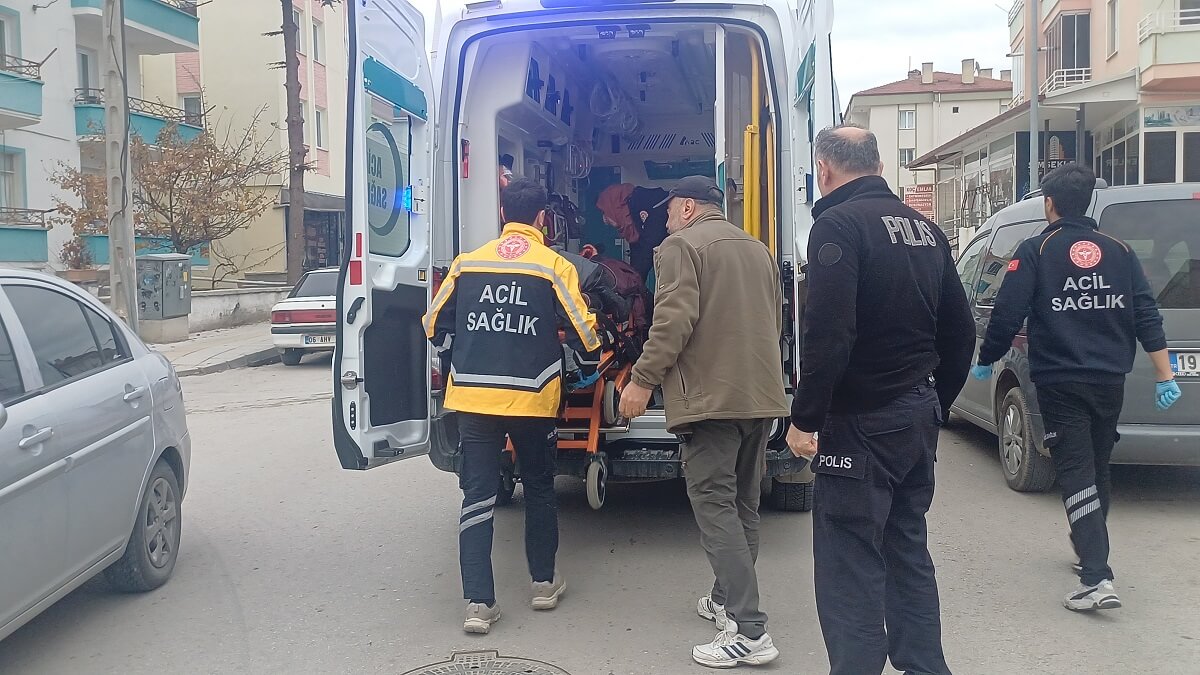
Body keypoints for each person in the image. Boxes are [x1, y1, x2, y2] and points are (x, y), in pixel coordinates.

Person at [787, 125, 974, 675]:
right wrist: (936, 401)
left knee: (849, 560)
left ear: (824, 169)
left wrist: (805, 419)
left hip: (860, 423)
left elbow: (828, 334)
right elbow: (960, 334)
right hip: (916, 417)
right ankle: (924, 666)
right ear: (880, 165)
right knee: (907, 550)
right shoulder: (924, 230)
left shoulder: (837, 225)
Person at [972, 162, 1181, 612]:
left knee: (1075, 469)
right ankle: (1090, 546)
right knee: (1096, 463)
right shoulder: (1119, 250)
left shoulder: (1036, 249)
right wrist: (1166, 374)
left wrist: (986, 360)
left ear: (1049, 203)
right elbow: (1146, 314)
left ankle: (1096, 577)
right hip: (1109, 379)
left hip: (1060, 380)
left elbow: (1008, 312)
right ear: (1088, 202)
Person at [618, 175, 789, 668]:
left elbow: (673, 320)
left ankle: (750, 630)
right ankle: (723, 600)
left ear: (689, 208)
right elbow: (773, 321)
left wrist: (643, 379)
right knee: (743, 504)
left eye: (669, 210)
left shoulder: (680, 247)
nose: (665, 219)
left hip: (712, 400)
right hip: (760, 396)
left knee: (715, 507)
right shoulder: (757, 249)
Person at [423, 177, 601, 634]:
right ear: (543, 218)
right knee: (539, 487)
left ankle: (478, 604)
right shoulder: (552, 265)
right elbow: (586, 334)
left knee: (477, 496)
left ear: (503, 214)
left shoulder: (468, 263)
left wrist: (468, 345)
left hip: (474, 400)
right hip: (533, 398)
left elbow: (433, 324)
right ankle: (543, 584)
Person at [596, 183, 670, 280]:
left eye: (605, 212)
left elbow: (644, 256)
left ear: (614, 205)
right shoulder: (634, 208)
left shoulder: (642, 206)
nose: (604, 219)